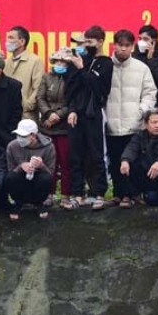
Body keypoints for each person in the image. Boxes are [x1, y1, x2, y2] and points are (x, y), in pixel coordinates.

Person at [104, 29, 157, 203]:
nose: (124, 49)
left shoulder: (141, 68)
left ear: (132, 46)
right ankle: (118, 194)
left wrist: (141, 111)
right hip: (110, 123)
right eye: (120, 45)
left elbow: (150, 93)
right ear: (114, 45)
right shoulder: (105, 66)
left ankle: (131, 194)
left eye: (127, 45)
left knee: (132, 161)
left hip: (133, 124)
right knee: (114, 159)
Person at [63, 27, 112, 210]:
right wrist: (72, 109)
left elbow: (98, 87)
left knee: (96, 154)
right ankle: (77, 193)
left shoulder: (105, 63)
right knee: (75, 154)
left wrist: (82, 69)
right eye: (83, 43)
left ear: (100, 42)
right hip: (76, 114)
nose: (85, 46)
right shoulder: (78, 61)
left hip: (94, 113)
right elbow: (71, 89)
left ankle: (98, 192)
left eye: (89, 42)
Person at [119, 110, 158, 209]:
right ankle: (133, 195)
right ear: (146, 124)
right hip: (146, 175)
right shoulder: (140, 136)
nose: (157, 125)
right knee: (127, 164)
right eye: (154, 122)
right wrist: (125, 160)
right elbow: (131, 148)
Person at [3, 118, 56, 220]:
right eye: (18, 135)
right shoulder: (12, 146)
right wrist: (21, 167)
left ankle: (39, 203)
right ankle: (18, 203)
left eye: (23, 136)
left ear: (33, 135)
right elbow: (10, 171)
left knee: (45, 179)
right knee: (10, 177)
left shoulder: (49, 147)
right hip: (21, 180)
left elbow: (51, 173)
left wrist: (41, 166)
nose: (20, 138)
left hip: (38, 180)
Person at [36, 51, 71, 199]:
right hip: (47, 127)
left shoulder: (72, 79)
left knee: (65, 163)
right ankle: (47, 195)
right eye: (58, 62)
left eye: (64, 63)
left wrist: (59, 115)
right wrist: (49, 114)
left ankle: (66, 195)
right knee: (48, 163)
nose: (60, 65)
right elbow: (40, 98)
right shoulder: (46, 77)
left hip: (64, 128)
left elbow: (72, 102)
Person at [4, 26, 45, 122]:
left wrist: (27, 105)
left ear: (22, 41)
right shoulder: (6, 62)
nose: (7, 41)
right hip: (7, 115)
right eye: (7, 38)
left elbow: (39, 88)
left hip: (26, 116)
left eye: (11, 38)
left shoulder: (34, 61)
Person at [136, 24, 158, 109]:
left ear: (154, 41)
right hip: (137, 104)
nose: (141, 42)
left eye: (146, 39)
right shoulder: (133, 58)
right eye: (140, 38)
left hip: (157, 105)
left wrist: (150, 59)